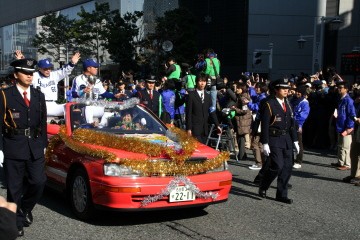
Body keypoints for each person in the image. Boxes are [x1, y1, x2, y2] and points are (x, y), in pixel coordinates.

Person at [0, 58, 47, 237]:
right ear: (15, 75)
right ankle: (16, 222)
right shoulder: (5, 95)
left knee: (39, 182)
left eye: (31, 73)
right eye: (25, 73)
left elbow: (42, 122)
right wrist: (0, 149)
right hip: (13, 146)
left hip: (34, 146)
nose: (29, 76)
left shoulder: (38, 95)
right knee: (14, 188)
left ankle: (24, 209)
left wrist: (43, 144)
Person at [258, 78, 299, 204]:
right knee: (277, 166)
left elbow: (291, 123)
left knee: (287, 167)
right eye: (283, 89)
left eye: (287, 89)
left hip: (286, 138)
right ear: (276, 90)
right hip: (274, 139)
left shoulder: (287, 103)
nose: (286, 91)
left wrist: (295, 140)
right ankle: (264, 185)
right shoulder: (269, 104)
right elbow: (264, 124)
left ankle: (281, 194)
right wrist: (265, 143)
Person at [15, 50, 81, 116]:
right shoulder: (35, 76)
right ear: (40, 68)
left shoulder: (54, 75)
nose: (48, 70)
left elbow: (65, 71)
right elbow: (25, 74)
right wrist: (22, 62)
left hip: (54, 104)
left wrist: (72, 63)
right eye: (45, 69)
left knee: (72, 108)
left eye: (49, 68)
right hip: (40, 104)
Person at [186, 73, 221, 143]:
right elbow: (188, 113)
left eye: (204, 81)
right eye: (200, 81)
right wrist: (189, 128)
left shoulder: (208, 96)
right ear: (196, 82)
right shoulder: (191, 96)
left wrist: (217, 125)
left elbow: (212, 112)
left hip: (205, 129)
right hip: (195, 129)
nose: (202, 83)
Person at [331, 81, 356, 170]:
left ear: (346, 89)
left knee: (346, 146)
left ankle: (347, 164)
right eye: (338, 87)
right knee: (340, 145)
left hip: (346, 127)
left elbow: (351, 115)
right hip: (340, 125)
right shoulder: (341, 99)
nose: (339, 89)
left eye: (341, 87)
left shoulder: (349, 100)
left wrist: (349, 128)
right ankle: (340, 162)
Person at [291, 85, 310, 169]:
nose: (297, 93)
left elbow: (303, 115)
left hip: (297, 124)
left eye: (299, 92)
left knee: (298, 143)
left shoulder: (304, 102)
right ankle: (290, 160)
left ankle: (298, 161)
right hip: (290, 123)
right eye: (297, 91)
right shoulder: (292, 100)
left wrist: (299, 125)